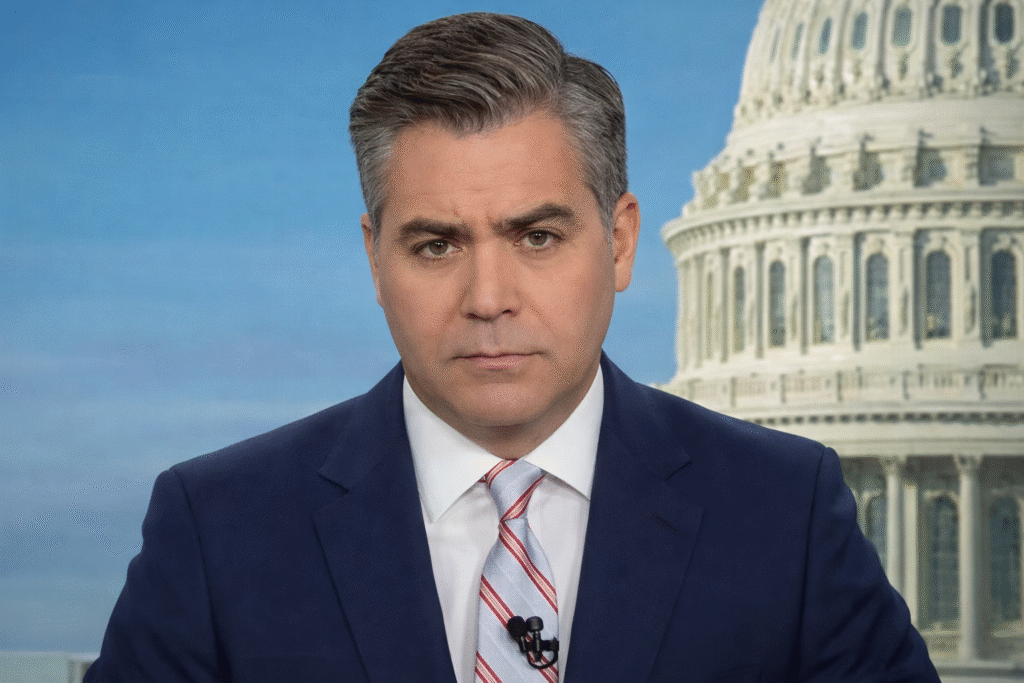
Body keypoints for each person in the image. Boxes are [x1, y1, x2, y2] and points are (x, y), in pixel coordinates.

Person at [85, 12, 940, 683]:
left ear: (621, 243)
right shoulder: (219, 527)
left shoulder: (783, 513)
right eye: (436, 245)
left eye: (535, 237)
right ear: (373, 259)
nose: (488, 299)